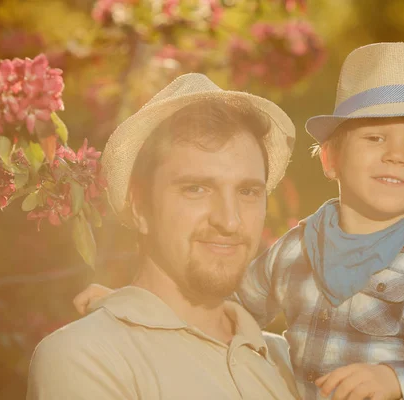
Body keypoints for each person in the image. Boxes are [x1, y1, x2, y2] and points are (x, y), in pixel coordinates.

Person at [75, 43, 404, 400]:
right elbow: (220, 307)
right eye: (374, 137)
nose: (396, 155)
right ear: (329, 158)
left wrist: (396, 379)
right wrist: (130, 304)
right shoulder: (299, 246)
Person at [26, 73, 301, 399]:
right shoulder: (87, 356)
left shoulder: (291, 362)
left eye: (248, 191)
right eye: (196, 189)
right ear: (140, 206)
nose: (230, 221)